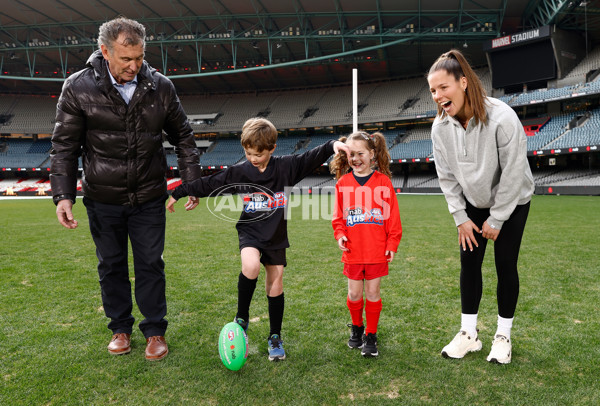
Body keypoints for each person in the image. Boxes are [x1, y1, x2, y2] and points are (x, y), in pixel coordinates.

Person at [50, 16, 202, 361]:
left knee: (151, 263)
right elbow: (63, 147)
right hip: (103, 197)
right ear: (105, 51)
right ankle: (120, 328)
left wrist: (192, 180)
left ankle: (155, 332)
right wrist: (63, 195)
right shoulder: (77, 87)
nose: (135, 66)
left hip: (149, 195)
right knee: (111, 265)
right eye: (125, 59)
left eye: (140, 58)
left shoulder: (161, 86)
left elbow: (184, 138)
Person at [167, 117, 349, 361]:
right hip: (250, 232)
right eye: (249, 152)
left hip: (275, 235)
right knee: (251, 266)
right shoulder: (239, 172)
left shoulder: (286, 167)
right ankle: (241, 318)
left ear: (272, 149)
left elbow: (311, 156)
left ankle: (275, 336)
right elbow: (209, 183)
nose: (253, 158)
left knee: (276, 283)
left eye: (259, 154)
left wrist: (332, 146)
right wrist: (179, 192)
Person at [427, 49, 534, 364]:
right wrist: (460, 217)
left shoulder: (502, 117)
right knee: (469, 265)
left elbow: (514, 173)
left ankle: (503, 337)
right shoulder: (439, 128)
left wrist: (498, 219)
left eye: (443, 87)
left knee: (505, 265)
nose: (437, 96)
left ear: (463, 82)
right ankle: (469, 335)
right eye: (432, 90)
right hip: (473, 203)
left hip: (512, 200)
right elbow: (446, 177)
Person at [330, 131, 402, 357]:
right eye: (351, 154)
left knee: (372, 292)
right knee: (354, 294)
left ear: (372, 154)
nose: (355, 158)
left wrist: (392, 242)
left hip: (376, 250)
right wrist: (340, 233)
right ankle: (357, 328)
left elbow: (393, 218)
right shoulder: (343, 183)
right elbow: (338, 217)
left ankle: (371, 334)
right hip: (353, 250)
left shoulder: (383, 183)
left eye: (360, 153)